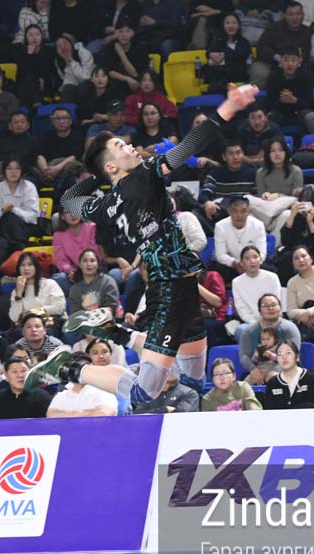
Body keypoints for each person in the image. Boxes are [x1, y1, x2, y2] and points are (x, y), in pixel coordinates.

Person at [47, 85, 258, 407]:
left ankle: (116, 332)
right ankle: (70, 367)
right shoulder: (144, 173)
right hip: (167, 290)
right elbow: (186, 147)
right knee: (144, 394)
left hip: (185, 287)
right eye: (120, 146)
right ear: (111, 167)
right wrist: (228, 107)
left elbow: (69, 199)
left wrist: (96, 177)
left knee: (193, 379)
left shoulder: (104, 205)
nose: (130, 145)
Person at [238, 293, 303, 383]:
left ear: (280, 308)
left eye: (274, 305)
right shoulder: (249, 331)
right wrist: (253, 369)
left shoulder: (290, 328)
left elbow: (293, 354)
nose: (271, 308)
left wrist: (276, 370)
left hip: (286, 369)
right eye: (266, 306)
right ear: (259, 311)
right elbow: (244, 355)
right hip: (258, 369)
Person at [251, 2, 314, 87]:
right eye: (291, 14)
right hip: (271, 62)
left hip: (295, 65)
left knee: (306, 72)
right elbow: (262, 46)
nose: (295, 18)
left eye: (298, 14)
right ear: (284, 15)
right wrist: (277, 57)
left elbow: (306, 53)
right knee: (259, 71)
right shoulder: (274, 28)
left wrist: (293, 61)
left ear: (303, 15)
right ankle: (258, 95)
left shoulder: (307, 32)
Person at [200, 142, 259, 224]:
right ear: (224, 157)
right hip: (222, 213)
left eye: (238, 153)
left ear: (243, 154)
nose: (235, 157)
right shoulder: (215, 173)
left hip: (246, 213)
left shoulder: (252, 173)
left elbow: (256, 197)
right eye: (231, 154)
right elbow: (205, 193)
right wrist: (207, 202)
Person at [230, 245, 281, 340]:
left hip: (273, 319)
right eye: (247, 258)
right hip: (251, 323)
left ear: (261, 259)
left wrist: (269, 321)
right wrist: (257, 324)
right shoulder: (237, 282)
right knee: (241, 331)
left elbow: (277, 302)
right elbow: (241, 308)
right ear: (242, 263)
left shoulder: (272, 277)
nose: (252, 261)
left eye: (255, 257)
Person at [212, 196, 268, 282]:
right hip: (232, 265)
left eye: (243, 211)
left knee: (268, 268)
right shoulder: (220, 226)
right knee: (216, 268)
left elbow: (262, 253)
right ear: (229, 211)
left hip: (253, 263)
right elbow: (220, 255)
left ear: (249, 211)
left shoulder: (258, 225)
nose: (239, 215)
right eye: (235, 211)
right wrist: (234, 262)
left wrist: (251, 262)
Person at [9, 252, 67, 331]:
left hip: (51, 324)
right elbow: (15, 318)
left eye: (30, 264)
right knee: (18, 332)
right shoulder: (16, 291)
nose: (26, 268)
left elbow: (59, 308)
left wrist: (35, 311)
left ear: (36, 267)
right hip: (29, 327)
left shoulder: (49, 284)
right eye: (22, 265)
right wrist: (18, 295)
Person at [0, 159, 41, 241]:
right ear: (4, 171)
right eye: (9, 169)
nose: (13, 172)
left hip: (26, 227)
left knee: (11, 219)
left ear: (21, 170)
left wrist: (13, 210)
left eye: (17, 168)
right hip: (3, 227)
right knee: (8, 219)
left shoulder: (29, 187)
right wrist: (2, 210)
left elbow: (33, 217)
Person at [261, 340, 314, 409]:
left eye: (288, 353)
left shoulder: (311, 378)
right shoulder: (272, 383)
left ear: (297, 357)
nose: (284, 357)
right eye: (280, 354)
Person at [37, 106, 85, 190]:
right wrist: (46, 172)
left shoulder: (79, 136)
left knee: (72, 181)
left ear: (70, 121)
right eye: (57, 119)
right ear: (52, 121)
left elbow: (74, 158)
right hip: (50, 170)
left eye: (64, 118)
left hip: (70, 171)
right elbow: (40, 156)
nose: (61, 121)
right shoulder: (46, 137)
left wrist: (57, 168)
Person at [52, 210, 99, 294]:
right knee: (58, 278)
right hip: (72, 273)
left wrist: (83, 271)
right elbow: (61, 260)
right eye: (68, 212)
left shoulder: (92, 227)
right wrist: (69, 270)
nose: (73, 214)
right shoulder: (58, 235)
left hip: (91, 269)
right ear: (62, 216)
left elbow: (94, 254)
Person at [266, 47, 314, 129]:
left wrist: (294, 100)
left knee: (307, 115)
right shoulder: (273, 76)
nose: (290, 64)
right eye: (286, 60)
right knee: (270, 118)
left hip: (299, 111)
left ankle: (307, 137)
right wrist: (281, 101)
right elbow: (269, 102)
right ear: (280, 63)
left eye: (293, 60)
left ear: (299, 63)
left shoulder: (306, 76)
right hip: (280, 111)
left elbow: (310, 103)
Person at [46, 370, 119, 417]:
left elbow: (103, 414)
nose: (77, 371)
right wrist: (89, 412)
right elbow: (51, 416)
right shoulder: (61, 395)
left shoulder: (104, 391)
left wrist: (65, 414)